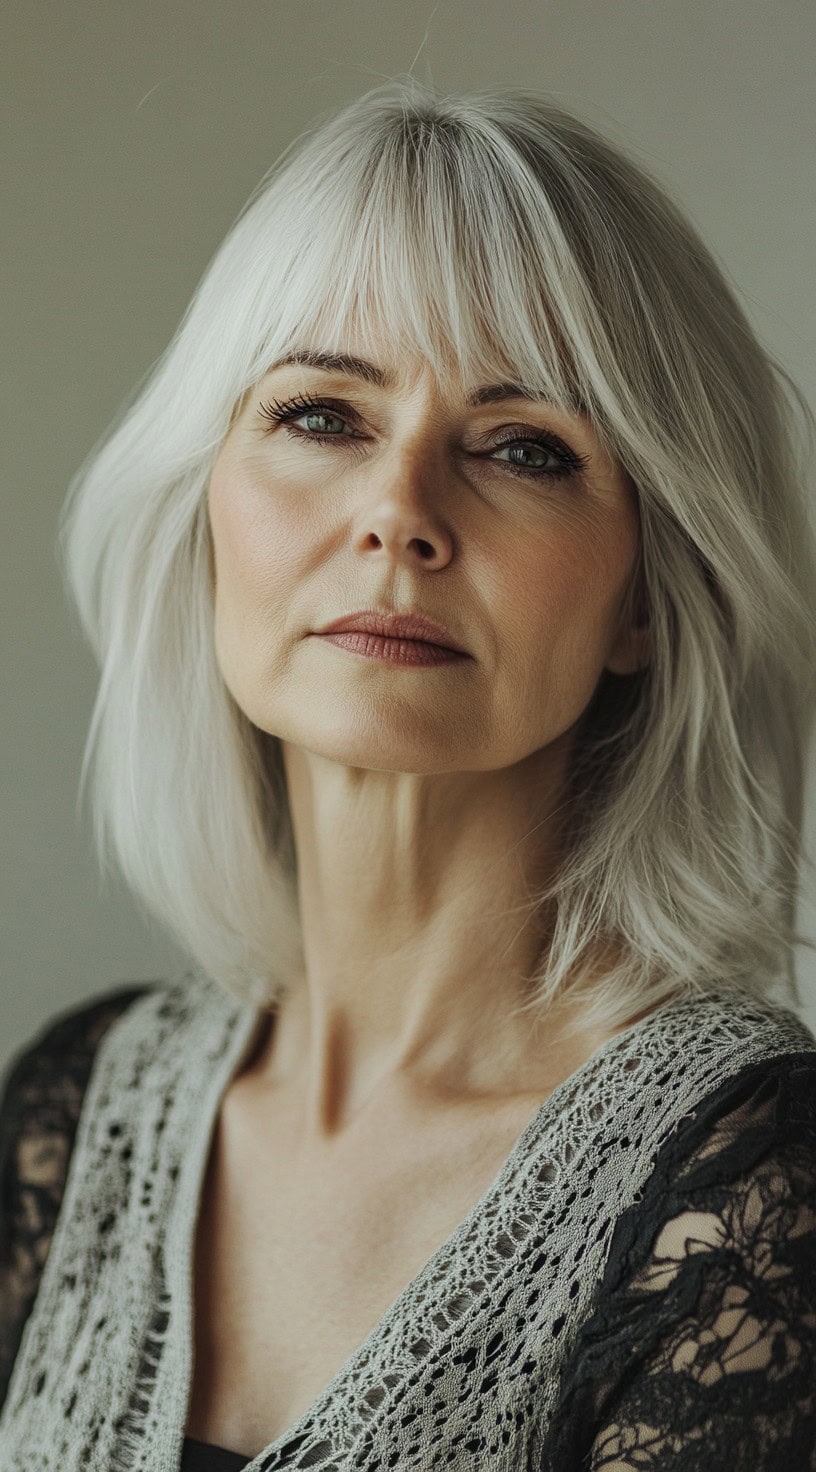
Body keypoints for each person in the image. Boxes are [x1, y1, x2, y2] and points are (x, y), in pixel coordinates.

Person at [1, 77, 815, 1472]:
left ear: (644, 602)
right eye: (323, 416)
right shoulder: (74, 1110)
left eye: (522, 448)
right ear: (206, 509)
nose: (397, 514)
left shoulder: (749, 1183)